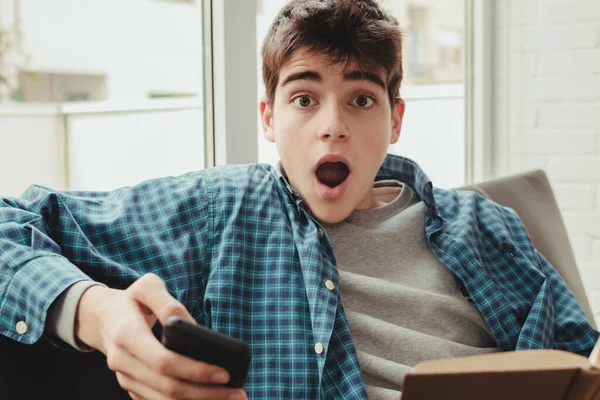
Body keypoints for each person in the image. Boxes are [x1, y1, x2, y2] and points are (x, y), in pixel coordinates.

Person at [0, 0, 598, 399]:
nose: (332, 126)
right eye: (305, 98)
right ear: (269, 117)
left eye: (361, 99)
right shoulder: (219, 211)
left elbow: (578, 356)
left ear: (396, 120)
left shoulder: (485, 225)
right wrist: (97, 315)